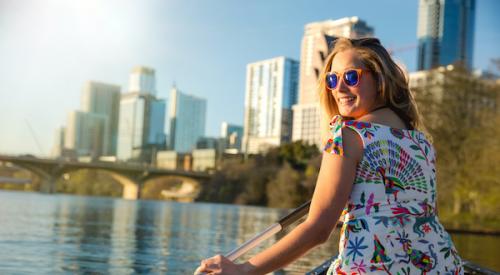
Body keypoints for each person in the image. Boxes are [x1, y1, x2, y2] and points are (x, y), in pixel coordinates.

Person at [194, 37, 463, 275]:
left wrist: (243, 270)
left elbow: (319, 229)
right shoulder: (422, 142)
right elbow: (423, 216)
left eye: (351, 77)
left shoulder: (348, 134)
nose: (339, 89)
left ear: (380, 78)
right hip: (441, 265)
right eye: (333, 80)